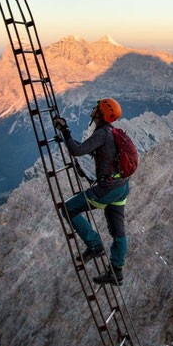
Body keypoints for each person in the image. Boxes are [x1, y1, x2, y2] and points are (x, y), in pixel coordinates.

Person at [52, 98, 130, 285]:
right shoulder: (110, 132)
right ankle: (117, 271)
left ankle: (95, 245)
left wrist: (65, 131)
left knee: (69, 209)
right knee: (118, 231)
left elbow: (77, 151)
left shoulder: (102, 133)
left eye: (97, 108)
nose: (93, 109)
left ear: (101, 113)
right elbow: (86, 148)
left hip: (107, 189)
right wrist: (67, 140)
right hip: (121, 187)